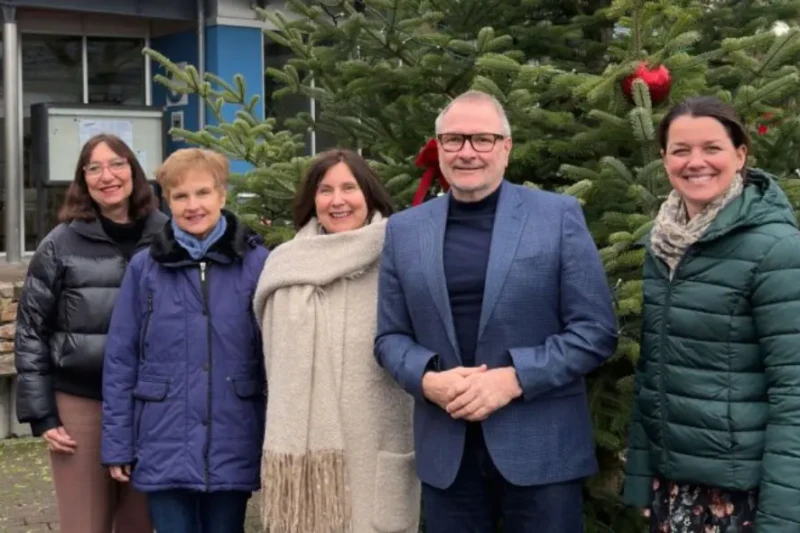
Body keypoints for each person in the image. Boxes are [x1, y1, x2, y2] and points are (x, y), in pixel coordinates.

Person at [374, 90, 618, 533]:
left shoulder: (557, 216)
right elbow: (390, 337)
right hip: (448, 455)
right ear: (438, 149)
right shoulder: (405, 231)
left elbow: (595, 331)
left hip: (542, 450)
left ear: (506, 147)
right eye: (453, 140)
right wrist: (428, 380)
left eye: (482, 139)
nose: (467, 152)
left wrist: (514, 379)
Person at [622, 96, 800, 532]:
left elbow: (794, 393)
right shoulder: (664, 245)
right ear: (664, 158)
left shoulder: (777, 249)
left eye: (712, 148)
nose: (695, 162)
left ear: (740, 155)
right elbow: (654, 372)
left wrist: (781, 518)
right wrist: (644, 477)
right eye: (680, 150)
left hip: (744, 497)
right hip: (677, 488)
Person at [100, 147, 269, 533]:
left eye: (203, 193)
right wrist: (118, 445)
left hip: (234, 435)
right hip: (164, 438)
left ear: (222, 195)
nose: (193, 205)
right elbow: (121, 359)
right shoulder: (146, 267)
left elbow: (275, 356)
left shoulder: (257, 262)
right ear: (166, 201)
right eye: (181, 196)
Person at [253, 149, 420, 533]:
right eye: (326, 190)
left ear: (369, 194)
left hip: (379, 450)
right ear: (313, 199)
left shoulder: (399, 256)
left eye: (349, 187)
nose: (338, 200)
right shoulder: (285, 265)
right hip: (307, 462)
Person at [14, 133, 165, 533]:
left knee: (140, 524)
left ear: (134, 170)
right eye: (94, 168)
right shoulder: (59, 244)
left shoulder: (168, 237)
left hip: (149, 404)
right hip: (81, 403)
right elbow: (30, 330)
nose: (107, 176)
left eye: (116, 164)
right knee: (85, 524)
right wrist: (42, 415)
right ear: (83, 179)